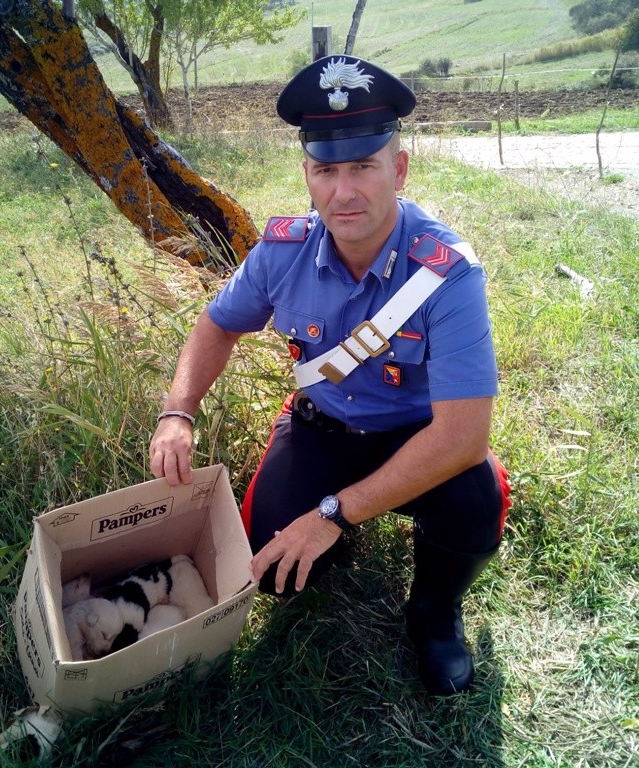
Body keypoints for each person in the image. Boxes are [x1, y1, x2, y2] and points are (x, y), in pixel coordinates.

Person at [148, 55, 511, 696]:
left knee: (474, 504)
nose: (345, 192)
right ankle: (336, 531)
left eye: (364, 166)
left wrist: (332, 514)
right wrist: (178, 411)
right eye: (327, 170)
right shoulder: (282, 251)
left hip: (417, 436)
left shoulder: (447, 273)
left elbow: (460, 440)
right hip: (323, 427)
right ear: (309, 177)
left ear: (398, 169)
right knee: (276, 572)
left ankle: (432, 611)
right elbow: (217, 325)